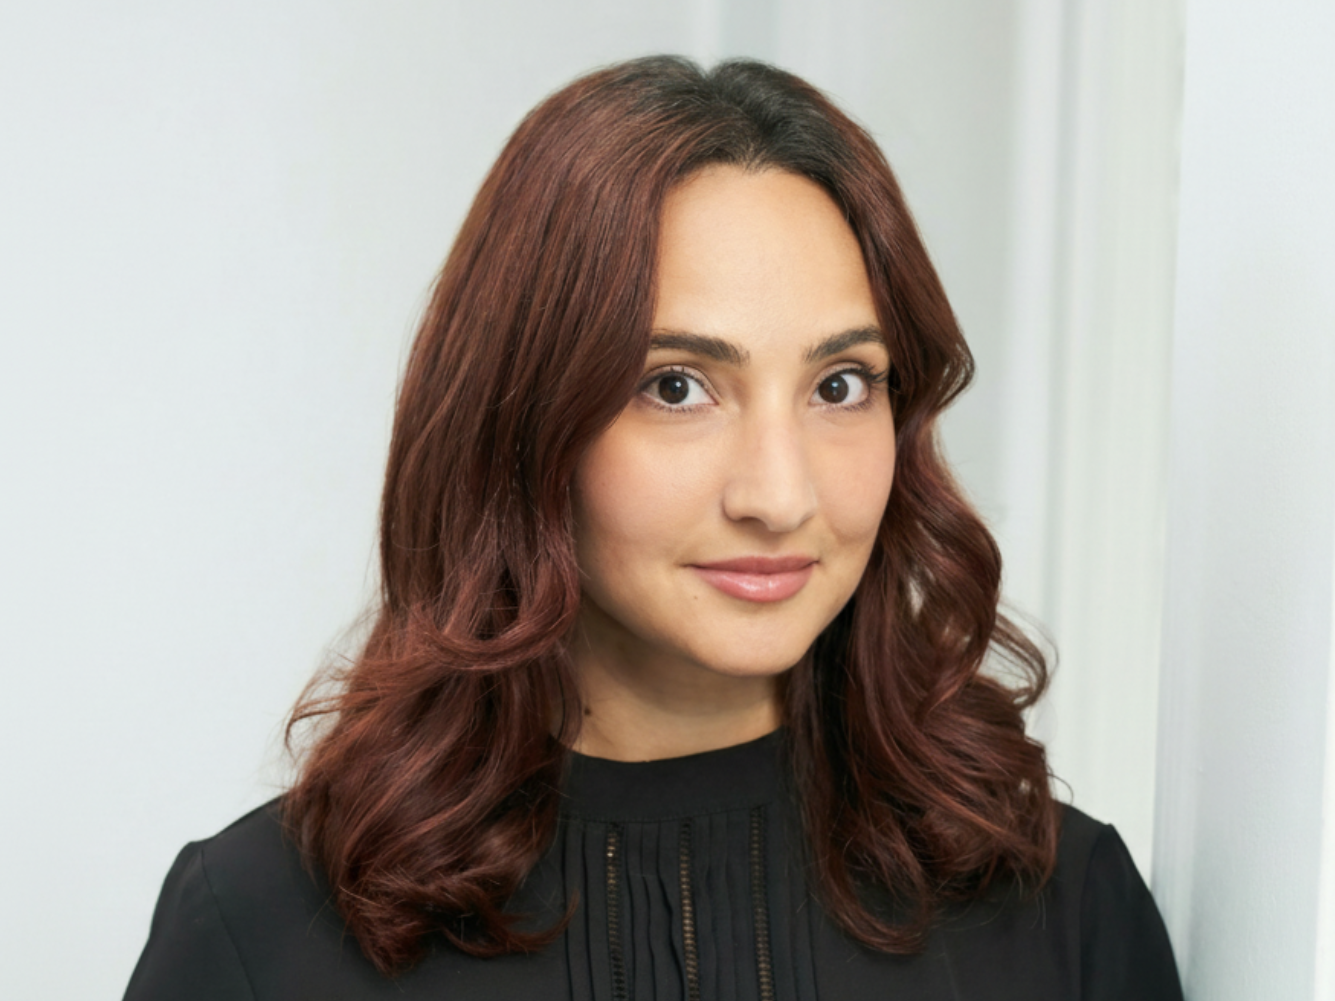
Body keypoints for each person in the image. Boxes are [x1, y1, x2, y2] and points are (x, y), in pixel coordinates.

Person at [125, 56, 1183, 1000]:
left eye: (840, 384)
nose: (778, 494)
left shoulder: (1060, 908)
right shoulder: (262, 932)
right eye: (676, 385)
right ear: (523, 419)